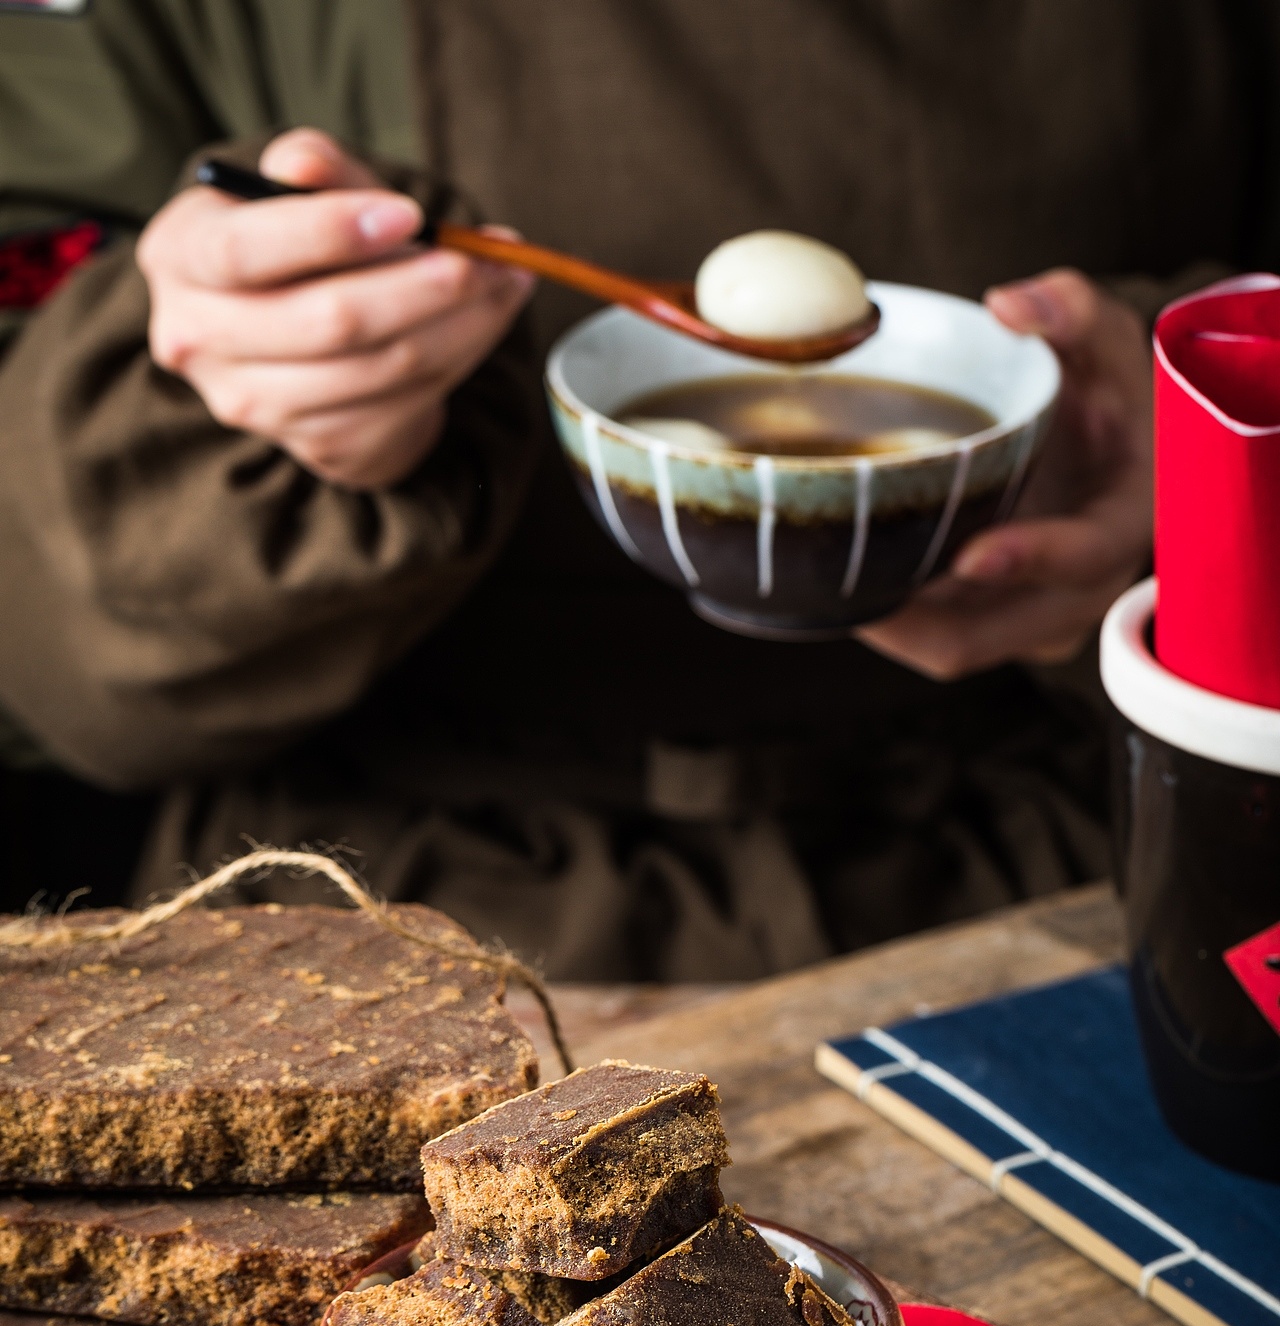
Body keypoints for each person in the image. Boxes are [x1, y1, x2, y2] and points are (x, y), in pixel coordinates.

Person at [0, 1, 1274, 978]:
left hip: (1082, 894)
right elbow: (41, 666)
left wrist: (1218, 447)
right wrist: (229, 377)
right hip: (391, 918)